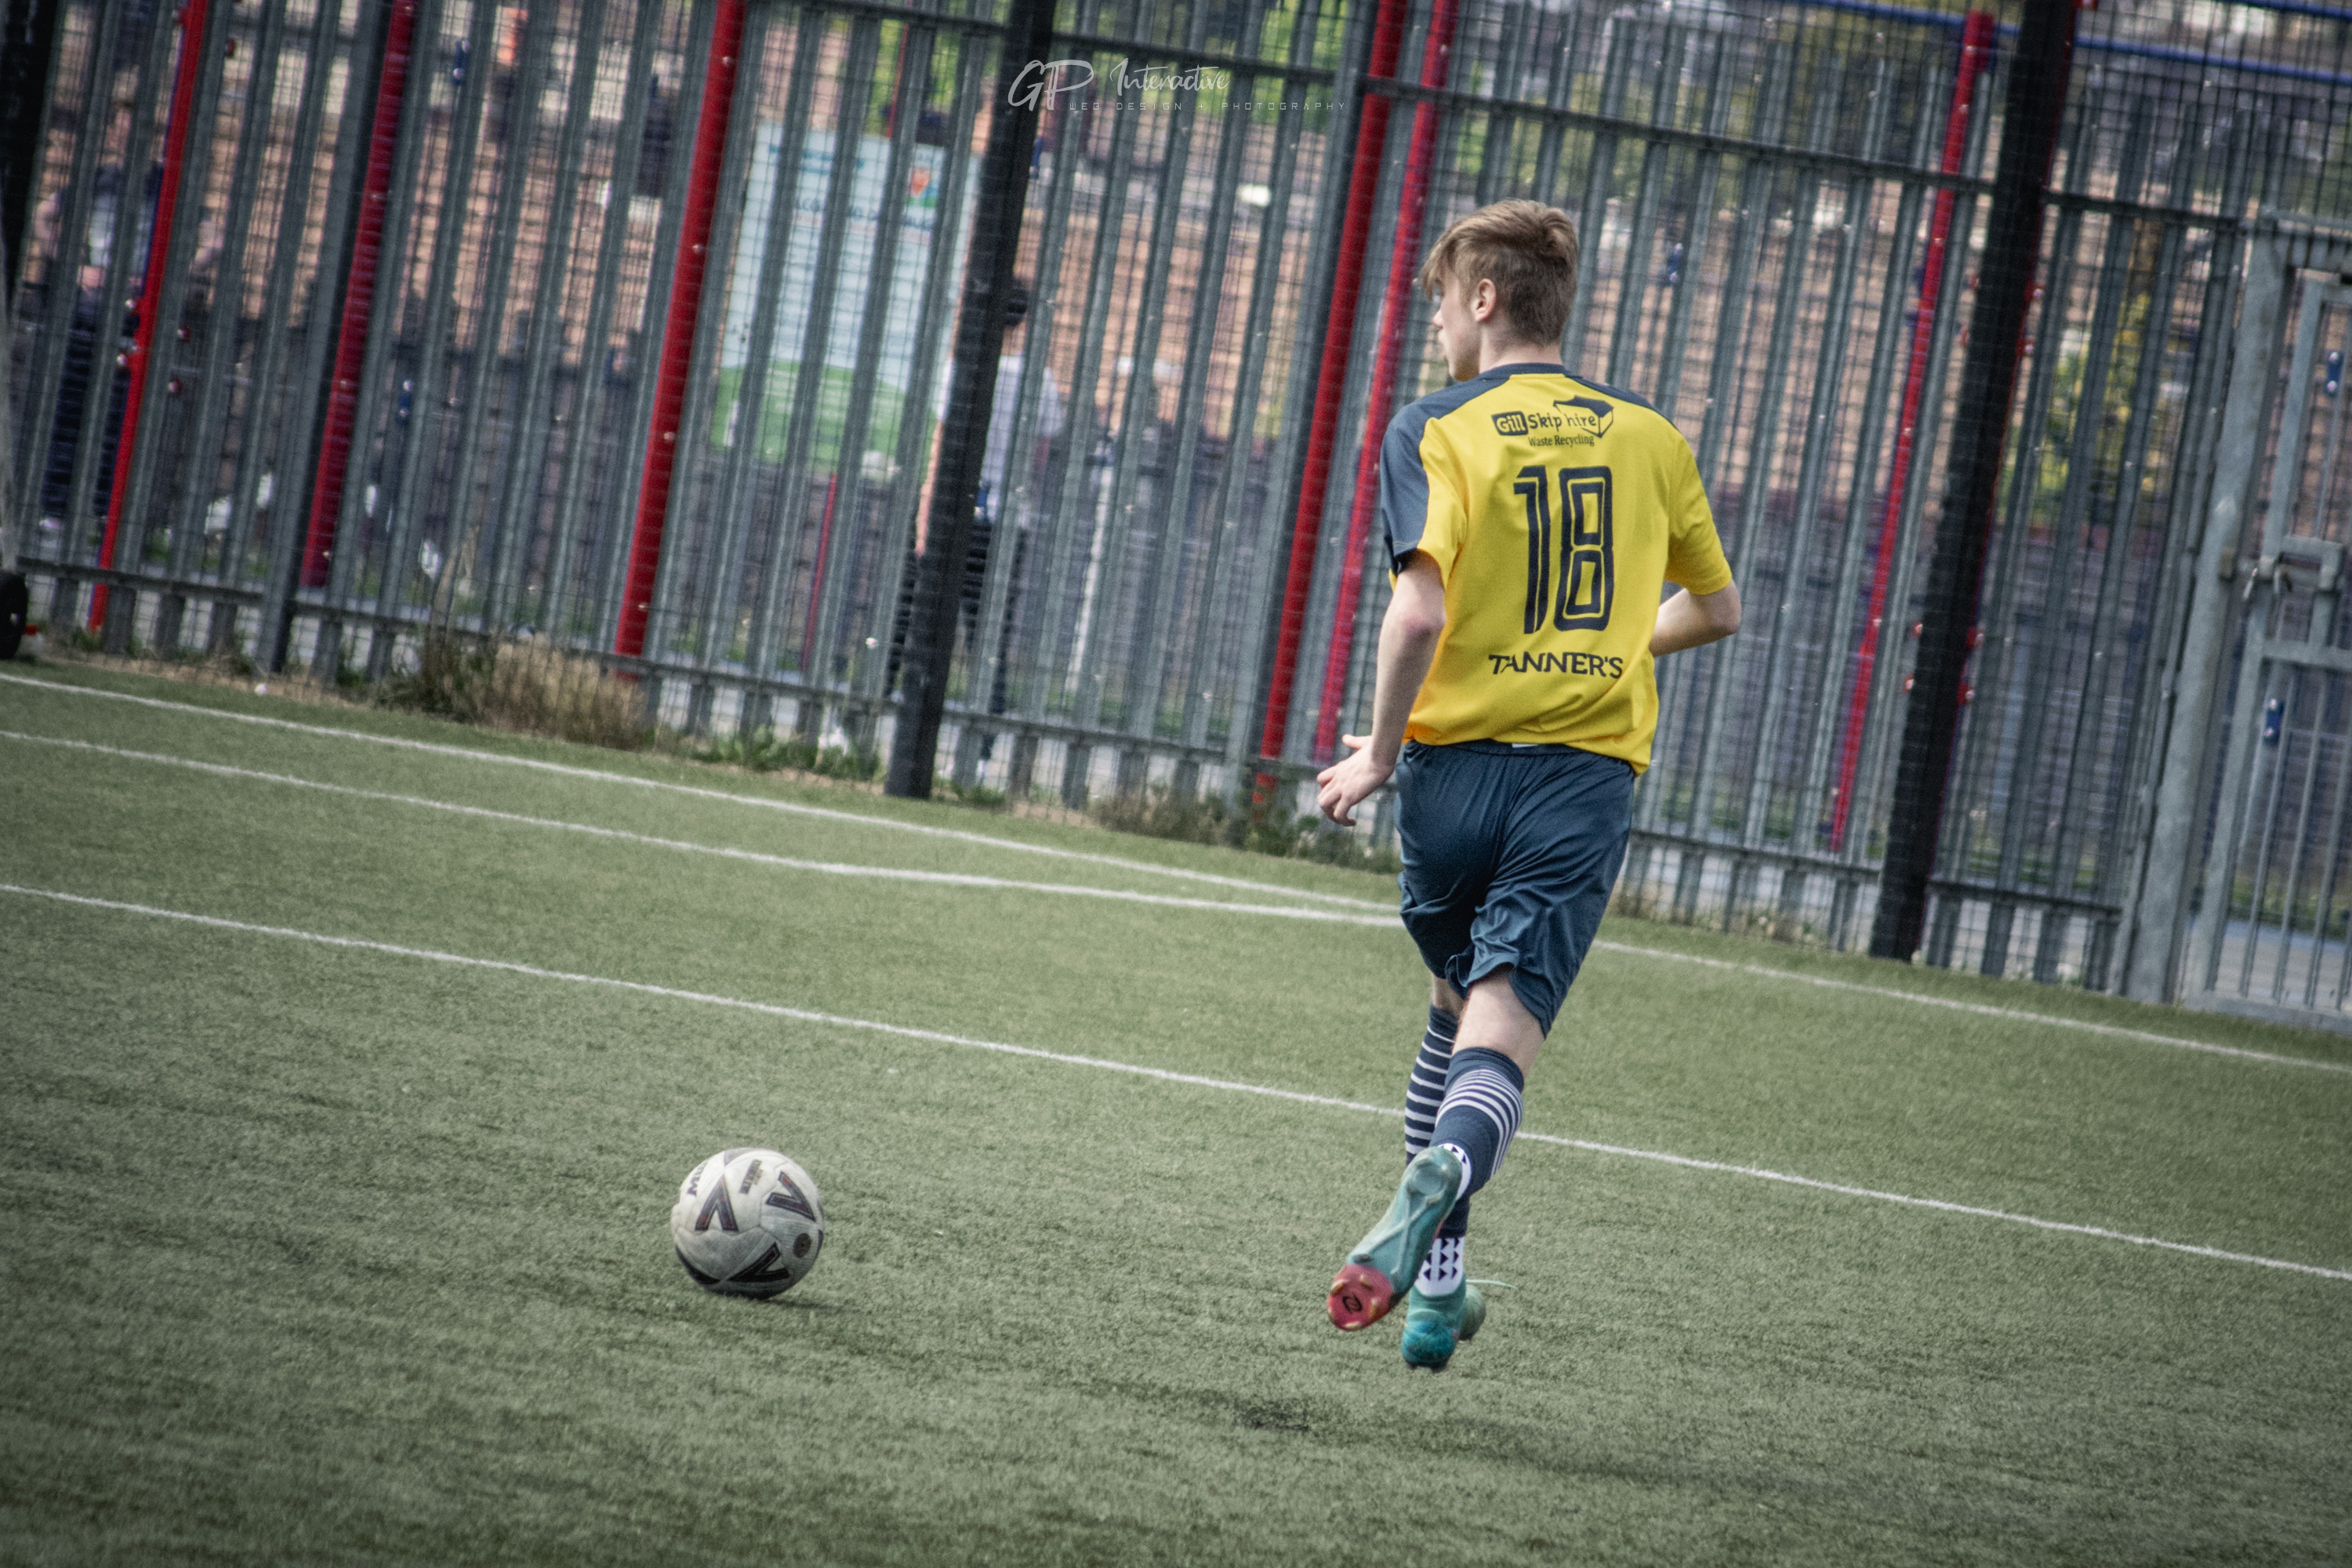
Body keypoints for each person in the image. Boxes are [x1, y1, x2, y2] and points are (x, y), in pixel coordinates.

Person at [1316, 200, 1743, 1371]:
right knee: (1496, 1029)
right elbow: (1716, 608)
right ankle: (1450, 1171)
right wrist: (1607, 645)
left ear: (1485, 299)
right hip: (1580, 780)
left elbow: (1418, 612)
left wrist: (1378, 755)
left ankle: (1436, 1294)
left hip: (1453, 781)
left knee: (1453, 1008)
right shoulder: (1650, 437)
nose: (1435, 326)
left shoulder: (1434, 427)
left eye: (1440, 304)